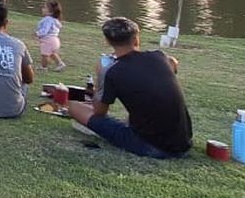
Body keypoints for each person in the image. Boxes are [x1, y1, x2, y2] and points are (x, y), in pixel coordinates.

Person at [69, 17, 192, 158]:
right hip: (183, 142)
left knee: (74, 107)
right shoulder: (160, 56)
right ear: (136, 39)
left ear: (107, 41)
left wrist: (100, 76)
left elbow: (99, 111)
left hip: (152, 147)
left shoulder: (112, 71)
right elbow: (173, 63)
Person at [36, 0, 66, 71]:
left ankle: (44, 67)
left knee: (44, 55)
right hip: (55, 40)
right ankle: (60, 64)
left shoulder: (48, 19)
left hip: (48, 40)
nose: (42, 9)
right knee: (52, 53)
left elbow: (45, 30)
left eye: (45, 8)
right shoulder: (55, 20)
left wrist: (37, 33)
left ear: (50, 11)